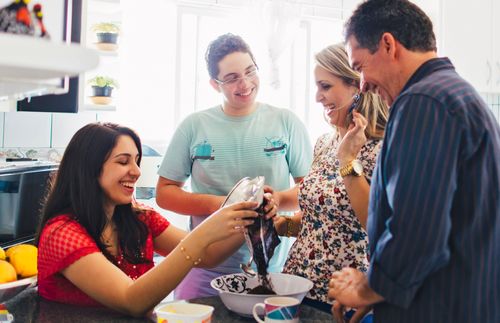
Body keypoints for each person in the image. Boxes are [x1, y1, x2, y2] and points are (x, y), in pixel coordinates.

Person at [328, 1, 500, 322]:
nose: (362, 85)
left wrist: (368, 288)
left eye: (360, 66)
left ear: (388, 44)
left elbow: (418, 228)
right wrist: (383, 291)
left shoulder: (423, 101)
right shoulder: (454, 94)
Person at [36, 122, 268, 317]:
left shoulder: (139, 218)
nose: (136, 171)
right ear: (89, 168)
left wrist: (252, 215)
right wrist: (203, 232)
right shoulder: (62, 233)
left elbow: (208, 255)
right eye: (123, 161)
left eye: (137, 160)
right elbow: (131, 300)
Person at [156, 33, 313, 300]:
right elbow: (165, 193)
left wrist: (278, 199)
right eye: (231, 78)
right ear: (215, 84)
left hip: (271, 270)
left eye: (250, 71)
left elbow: (310, 191)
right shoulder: (194, 126)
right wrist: (224, 205)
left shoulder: (286, 122)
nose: (245, 83)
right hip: (203, 268)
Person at [271, 44, 388, 317]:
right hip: (297, 287)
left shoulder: (382, 148)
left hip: (344, 297)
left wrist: (348, 158)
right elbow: (321, 207)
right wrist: (279, 217)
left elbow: (374, 222)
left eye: (325, 86)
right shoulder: (325, 142)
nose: (317, 97)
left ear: (356, 88)